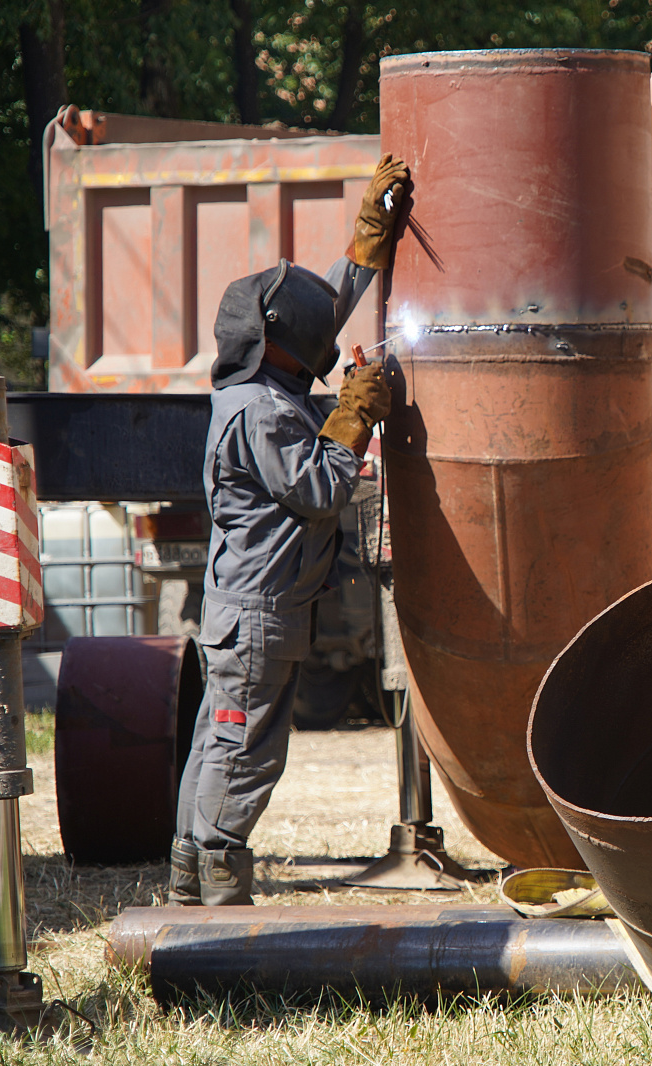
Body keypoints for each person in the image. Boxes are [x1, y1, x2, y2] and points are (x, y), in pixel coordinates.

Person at [167, 154, 408, 906]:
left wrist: (367, 245)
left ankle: (187, 885)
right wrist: (356, 414)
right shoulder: (262, 411)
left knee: (217, 742)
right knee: (244, 751)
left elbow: (313, 322)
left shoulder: (259, 385)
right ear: (277, 340)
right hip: (261, 616)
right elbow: (323, 486)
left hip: (246, 611)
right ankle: (216, 898)